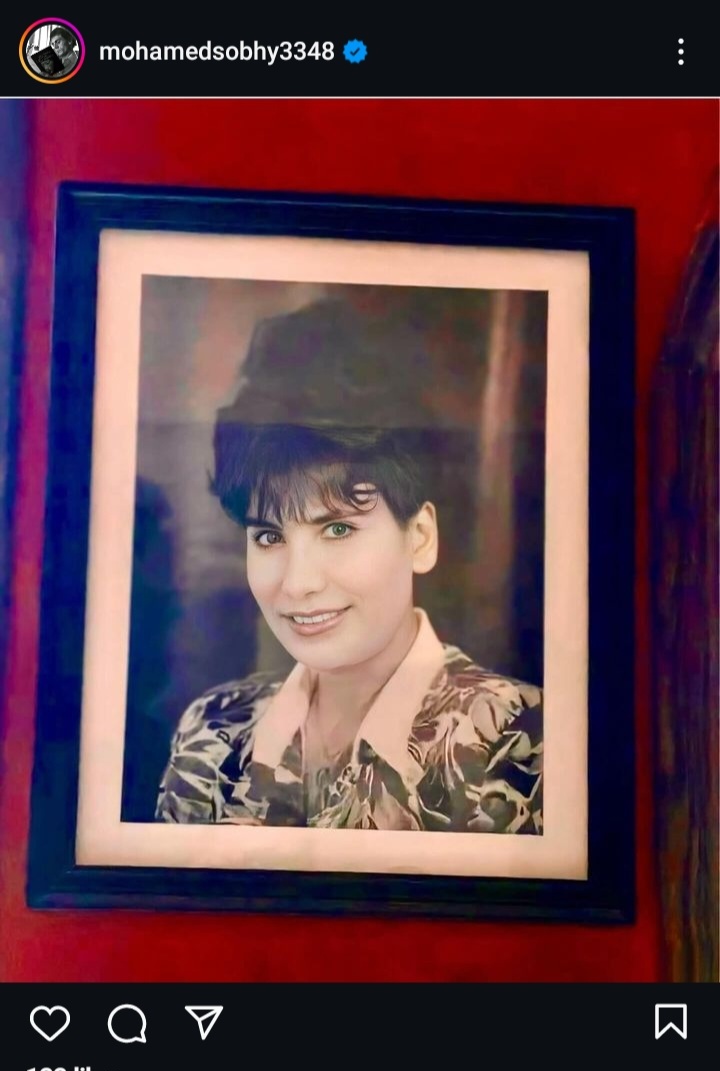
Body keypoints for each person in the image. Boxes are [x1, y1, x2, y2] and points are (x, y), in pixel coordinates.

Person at [156, 298, 542, 832]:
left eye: (337, 529)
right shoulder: (213, 734)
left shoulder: (523, 745)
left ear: (420, 537)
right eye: (269, 536)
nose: (298, 583)